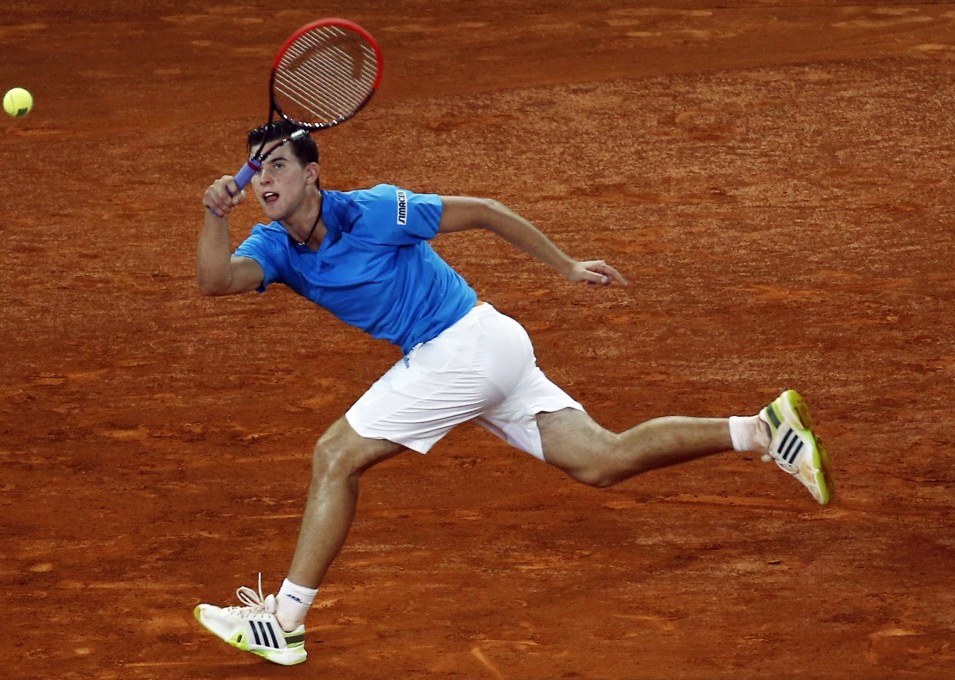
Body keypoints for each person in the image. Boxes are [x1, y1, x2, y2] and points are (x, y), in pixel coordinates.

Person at [192, 121, 833, 666]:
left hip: (467, 344)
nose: (266, 180)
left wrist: (566, 265)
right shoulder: (274, 244)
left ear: (313, 173)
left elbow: (486, 212)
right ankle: (761, 429)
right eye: (258, 171)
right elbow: (216, 280)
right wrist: (214, 216)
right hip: (478, 354)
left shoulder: (377, 209)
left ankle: (287, 620)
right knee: (600, 460)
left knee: (336, 455)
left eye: (280, 165)